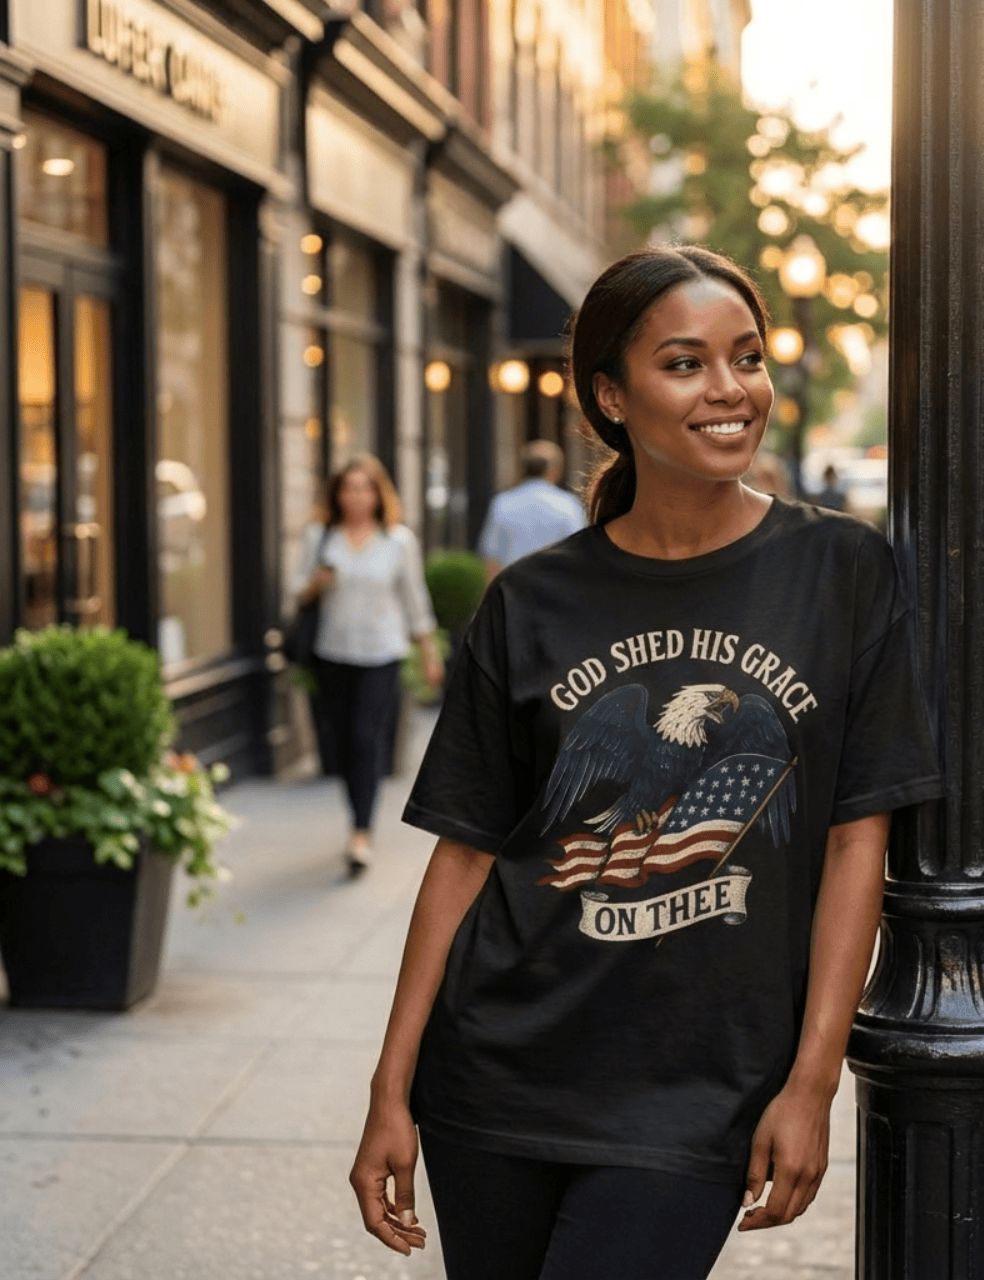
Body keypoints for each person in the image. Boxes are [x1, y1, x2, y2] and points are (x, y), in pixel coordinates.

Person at [348, 247, 942, 1279]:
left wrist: (811, 1081)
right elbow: (465, 857)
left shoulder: (839, 569)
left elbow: (857, 838)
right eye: (684, 363)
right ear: (610, 397)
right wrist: (389, 1090)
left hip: (701, 1081)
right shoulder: (530, 600)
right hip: (497, 1073)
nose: (728, 389)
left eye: (745, 357)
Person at [294, 455, 444, 875]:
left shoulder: (398, 541)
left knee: (365, 738)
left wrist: (429, 653)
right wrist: (315, 585)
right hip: (332, 653)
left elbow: (414, 600)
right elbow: (297, 593)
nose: (356, 496)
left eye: (365, 488)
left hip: (382, 653)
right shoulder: (320, 537)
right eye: (348, 488)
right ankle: (357, 813)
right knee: (342, 744)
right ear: (337, 495)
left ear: (378, 494)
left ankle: (361, 831)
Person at [477, 439, 586, 580]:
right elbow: (579, 555)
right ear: (553, 471)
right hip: (555, 592)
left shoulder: (503, 503)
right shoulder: (569, 504)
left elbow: (491, 558)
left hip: (513, 591)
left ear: (523, 469)